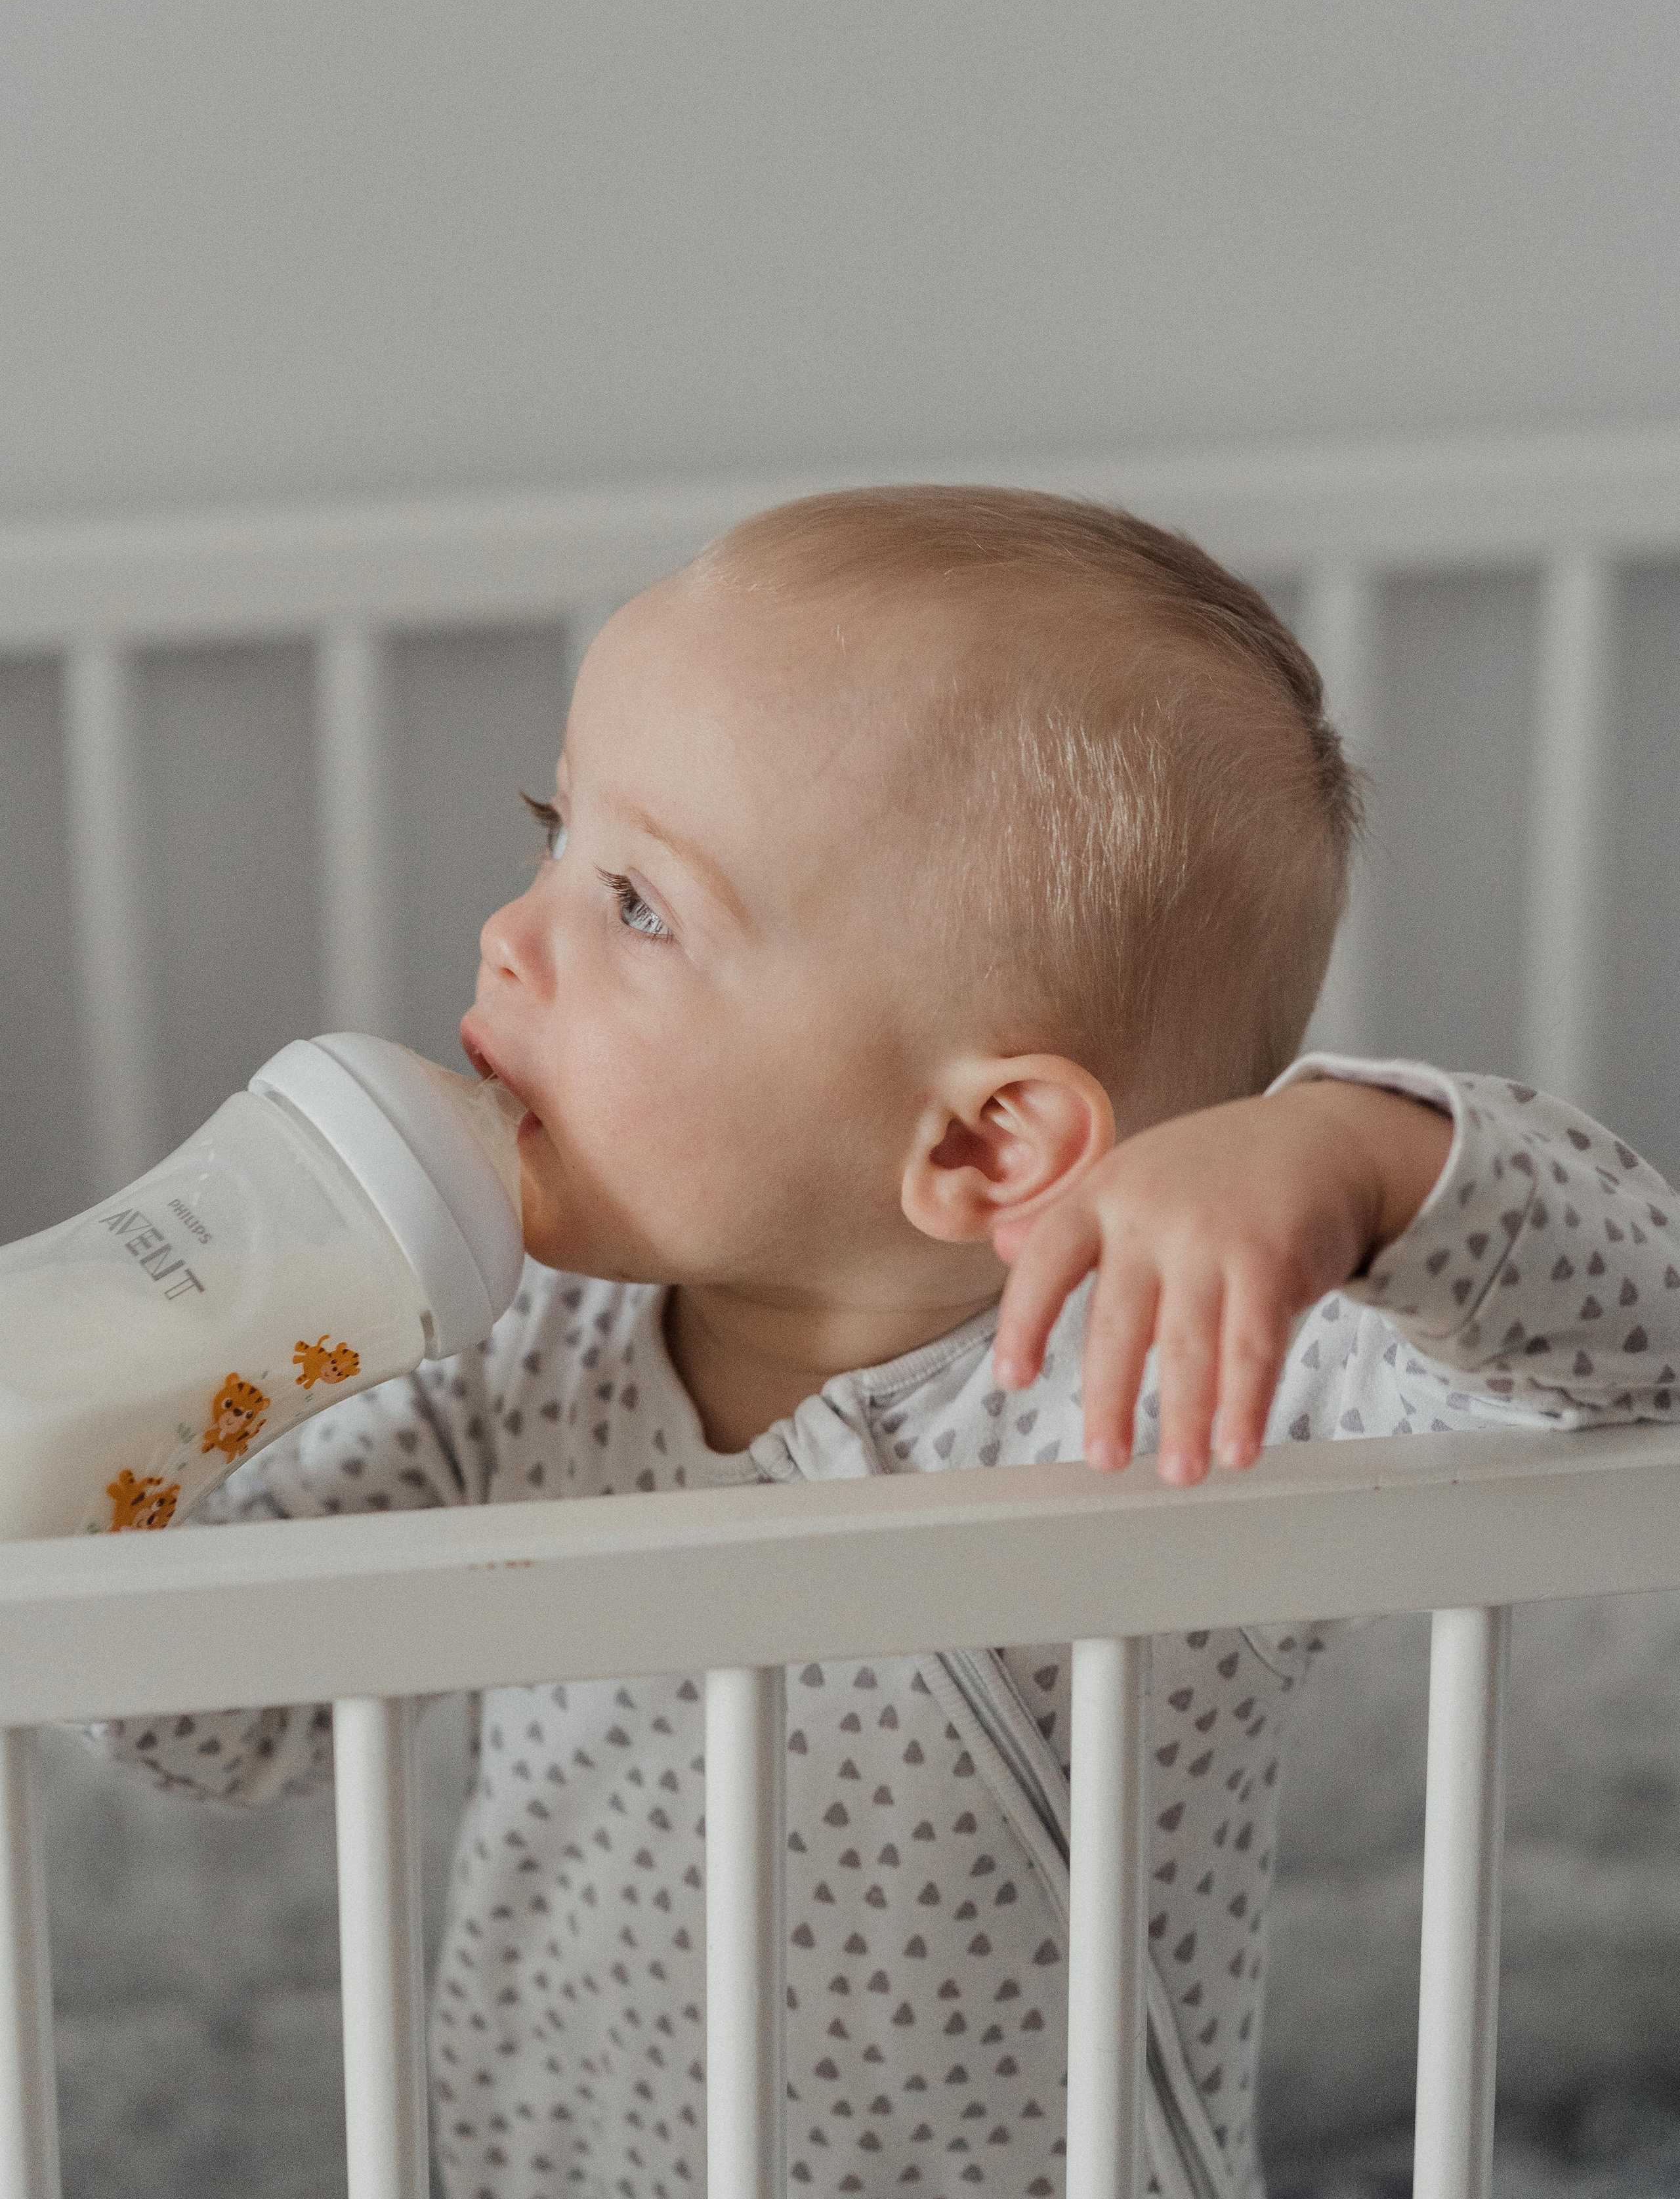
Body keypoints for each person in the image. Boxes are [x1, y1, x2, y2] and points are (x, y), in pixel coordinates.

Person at [91, 487, 1680, 2199]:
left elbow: (1647, 1345)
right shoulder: (507, 1348)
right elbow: (217, 1722)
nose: (509, 930)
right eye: (553, 829)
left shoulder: (1180, 1366)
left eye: (635, 903)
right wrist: (157, 1386)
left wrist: (1364, 1159)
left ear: (985, 1148)